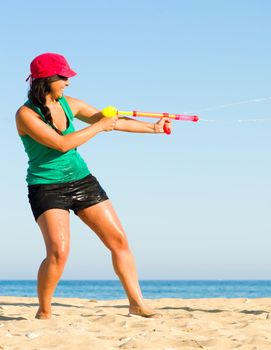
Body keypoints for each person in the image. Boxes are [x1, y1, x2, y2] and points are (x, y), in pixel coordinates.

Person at [15, 53, 172, 319]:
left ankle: (136, 303)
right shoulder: (26, 115)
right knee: (58, 252)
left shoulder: (70, 104)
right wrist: (99, 126)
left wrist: (153, 129)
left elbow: (113, 121)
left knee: (119, 241)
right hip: (46, 187)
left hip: (83, 181)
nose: (67, 82)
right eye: (63, 77)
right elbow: (63, 143)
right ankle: (44, 310)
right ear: (47, 79)